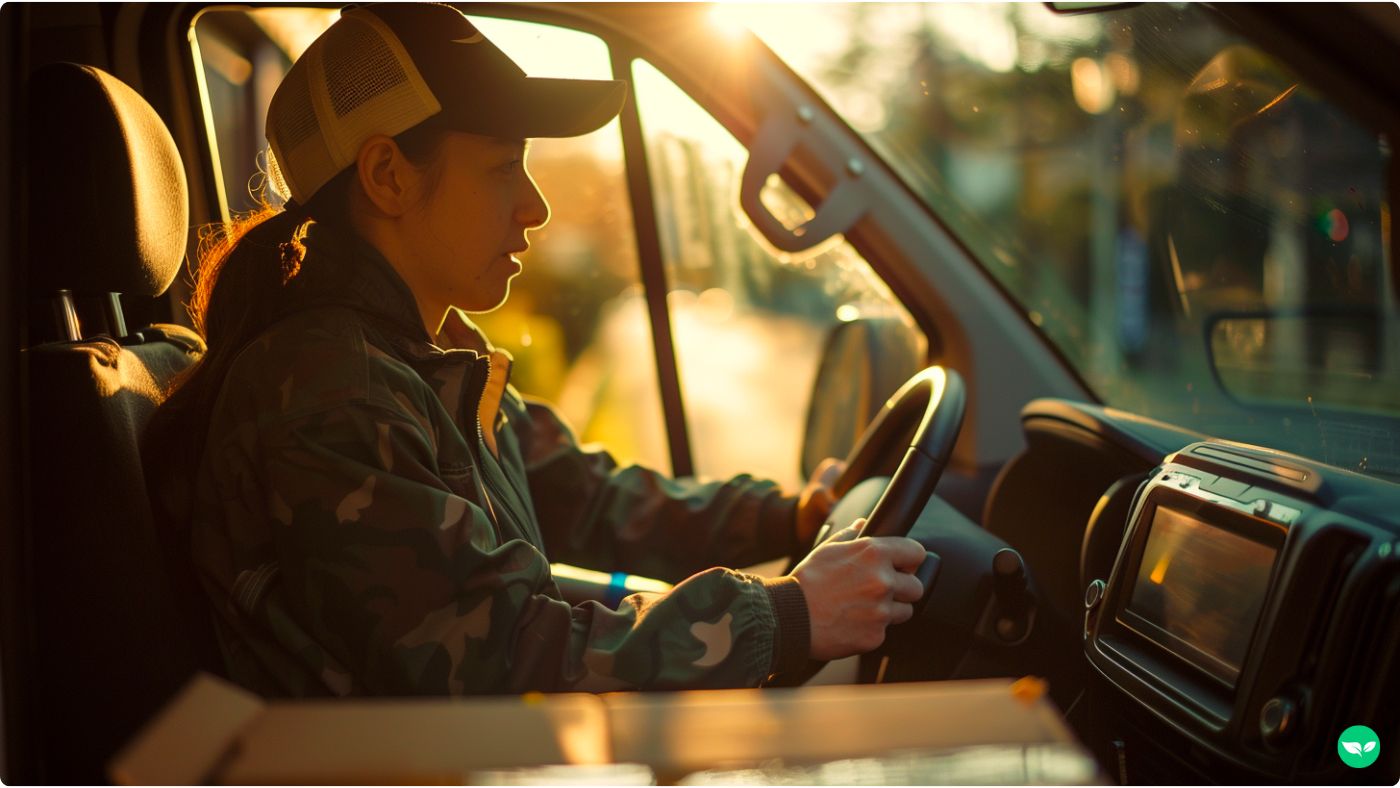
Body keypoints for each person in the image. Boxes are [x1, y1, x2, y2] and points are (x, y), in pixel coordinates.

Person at [145, 2, 927, 697]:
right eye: (500, 165)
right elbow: (500, 653)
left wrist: (791, 516)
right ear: (387, 174)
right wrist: (787, 614)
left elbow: (585, 498)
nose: (536, 205)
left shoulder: (422, 359)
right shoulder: (328, 392)